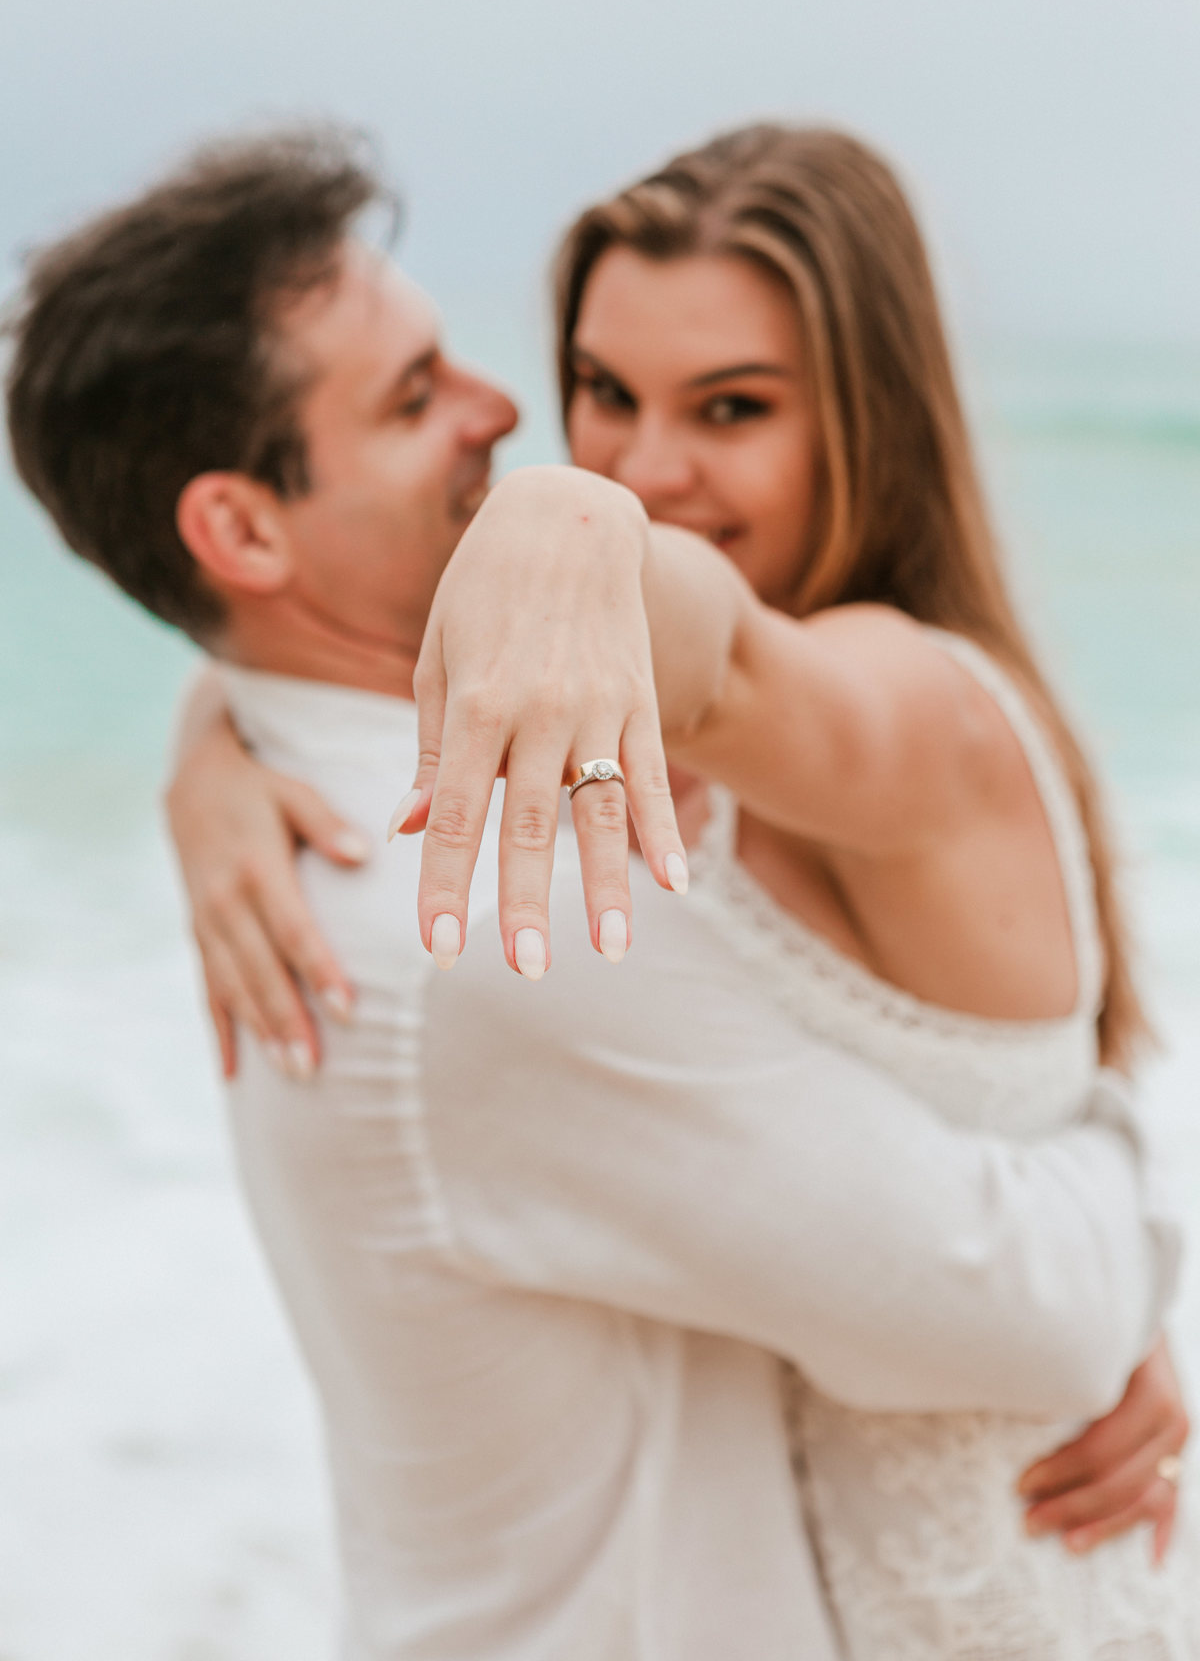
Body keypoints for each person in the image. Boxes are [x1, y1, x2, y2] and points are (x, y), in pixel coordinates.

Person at [4, 129, 1188, 1659]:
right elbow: (1035, 1312)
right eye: (417, 395)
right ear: (236, 532)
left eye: (733, 404)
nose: (514, 416)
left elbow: (715, 653)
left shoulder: (396, 795)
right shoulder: (472, 912)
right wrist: (1124, 1217)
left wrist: (246, 706)